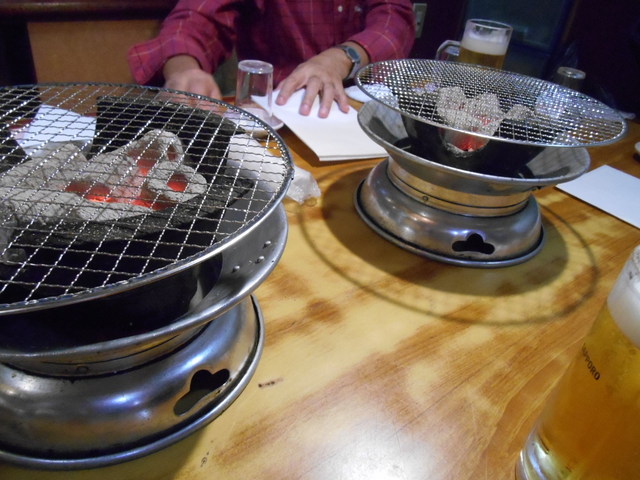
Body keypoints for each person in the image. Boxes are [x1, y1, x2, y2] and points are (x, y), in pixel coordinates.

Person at [128, 0, 416, 118]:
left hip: (364, 109)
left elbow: (395, 20)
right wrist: (183, 66)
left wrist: (341, 58)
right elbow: (198, 15)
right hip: (278, 113)